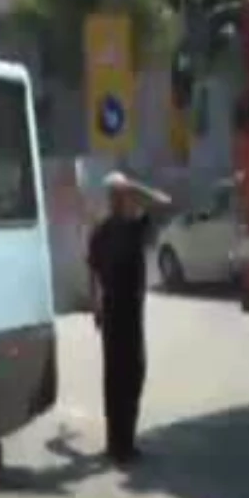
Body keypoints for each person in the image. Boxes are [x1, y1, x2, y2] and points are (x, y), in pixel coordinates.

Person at [86, 170, 171, 466]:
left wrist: (135, 186)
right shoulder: (104, 231)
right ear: (112, 199)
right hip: (114, 313)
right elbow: (93, 271)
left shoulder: (135, 227)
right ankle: (119, 446)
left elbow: (163, 203)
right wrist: (95, 305)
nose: (118, 199)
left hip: (129, 314)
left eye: (121, 194)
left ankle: (122, 443)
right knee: (120, 378)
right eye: (116, 194)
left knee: (129, 376)